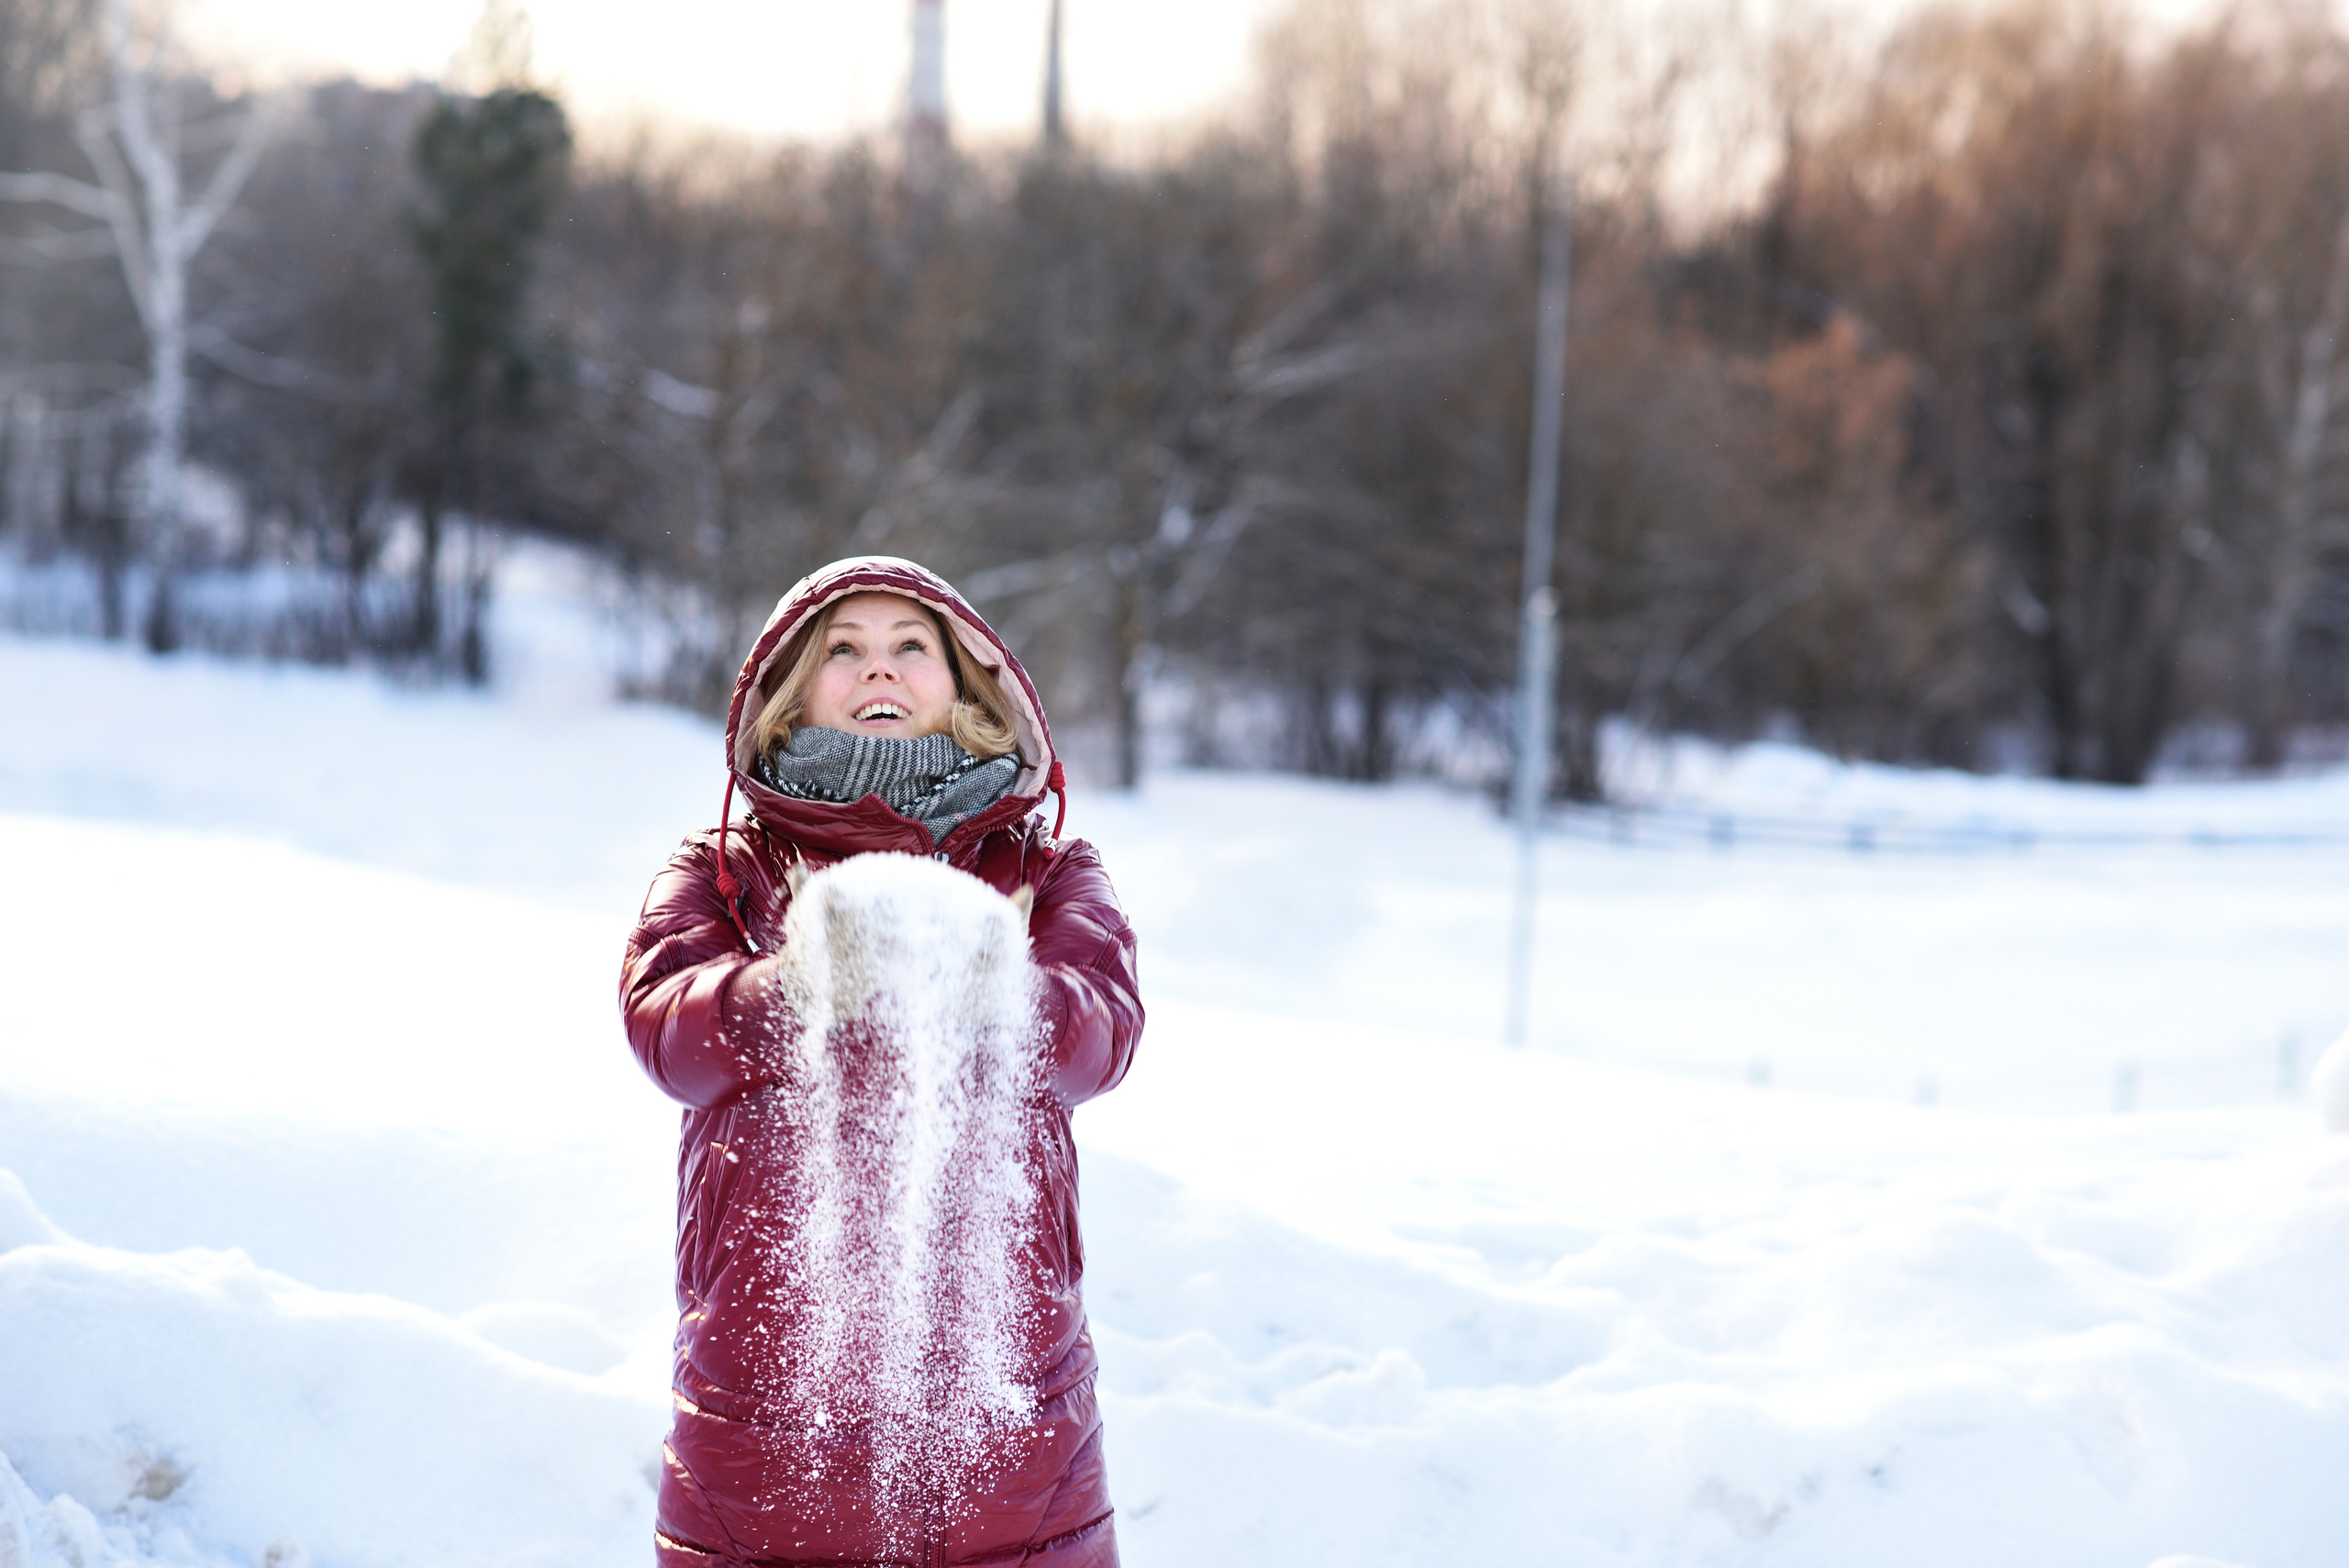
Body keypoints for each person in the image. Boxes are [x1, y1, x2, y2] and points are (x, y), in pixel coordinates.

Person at [619, 556, 1142, 1568]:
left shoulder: (1046, 866)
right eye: (842, 650)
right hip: (767, 1390)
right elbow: (664, 1032)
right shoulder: (723, 868)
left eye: (912, 647)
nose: (880, 671)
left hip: (1008, 1397)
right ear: (791, 687)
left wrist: (997, 982)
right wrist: (799, 984)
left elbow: (1099, 1035)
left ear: (966, 683)